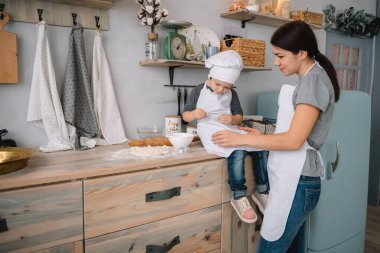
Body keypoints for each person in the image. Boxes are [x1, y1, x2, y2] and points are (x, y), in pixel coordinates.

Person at [211, 20, 340, 253]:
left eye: (280, 56)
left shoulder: (312, 82)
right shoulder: (311, 78)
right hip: (297, 181)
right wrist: (263, 133)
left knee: (270, 248)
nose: (276, 62)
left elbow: (293, 141)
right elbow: (299, 130)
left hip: (298, 183)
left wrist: (241, 139)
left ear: (302, 53)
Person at [183, 50, 267, 224]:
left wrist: (232, 118)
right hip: (208, 128)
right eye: (218, 84)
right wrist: (194, 114)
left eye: (226, 87)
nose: (221, 90)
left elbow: (239, 117)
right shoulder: (198, 90)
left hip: (229, 126)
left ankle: (262, 190)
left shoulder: (232, 94)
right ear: (210, 77)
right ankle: (238, 195)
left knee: (260, 145)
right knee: (236, 150)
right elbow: (185, 116)